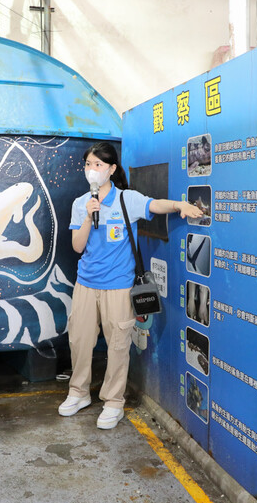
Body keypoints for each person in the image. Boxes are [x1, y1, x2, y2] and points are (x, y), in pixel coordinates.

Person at [59, 142, 203, 429]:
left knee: (117, 344)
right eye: (88, 164)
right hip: (86, 284)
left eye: (98, 165)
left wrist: (179, 205)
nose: (92, 170)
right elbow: (77, 246)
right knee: (80, 340)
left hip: (119, 286)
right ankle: (78, 392)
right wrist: (89, 215)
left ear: (112, 169)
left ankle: (113, 402)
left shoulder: (127, 199)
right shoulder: (80, 204)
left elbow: (154, 204)